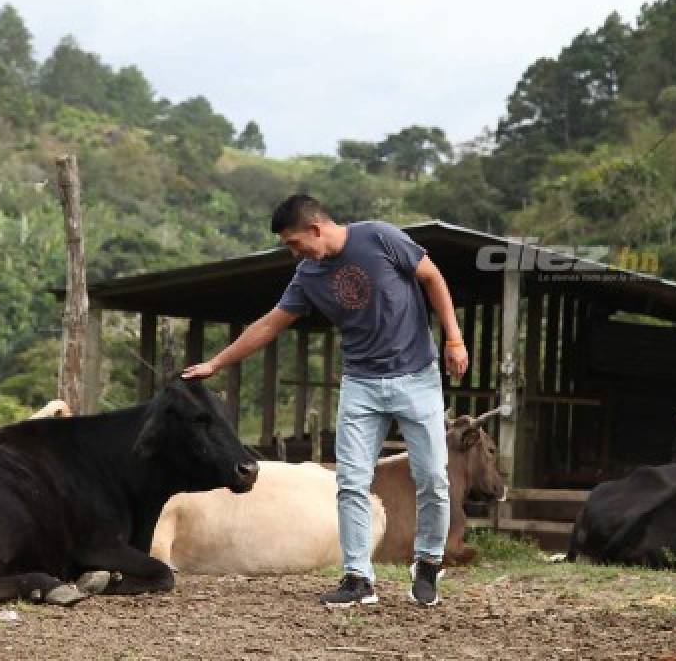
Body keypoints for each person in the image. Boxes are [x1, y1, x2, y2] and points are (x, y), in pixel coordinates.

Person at [182, 195, 468, 608]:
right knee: (350, 480)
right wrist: (217, 362)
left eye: (295, 243)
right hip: (361, 385)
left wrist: (454, 338)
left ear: (316, 229)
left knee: (433, 479)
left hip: (416, 377)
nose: (294, 252)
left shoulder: (380, 237)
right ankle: (358, 578)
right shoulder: (307, 276)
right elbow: (269, 324)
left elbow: (432, 278)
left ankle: (427, 561)